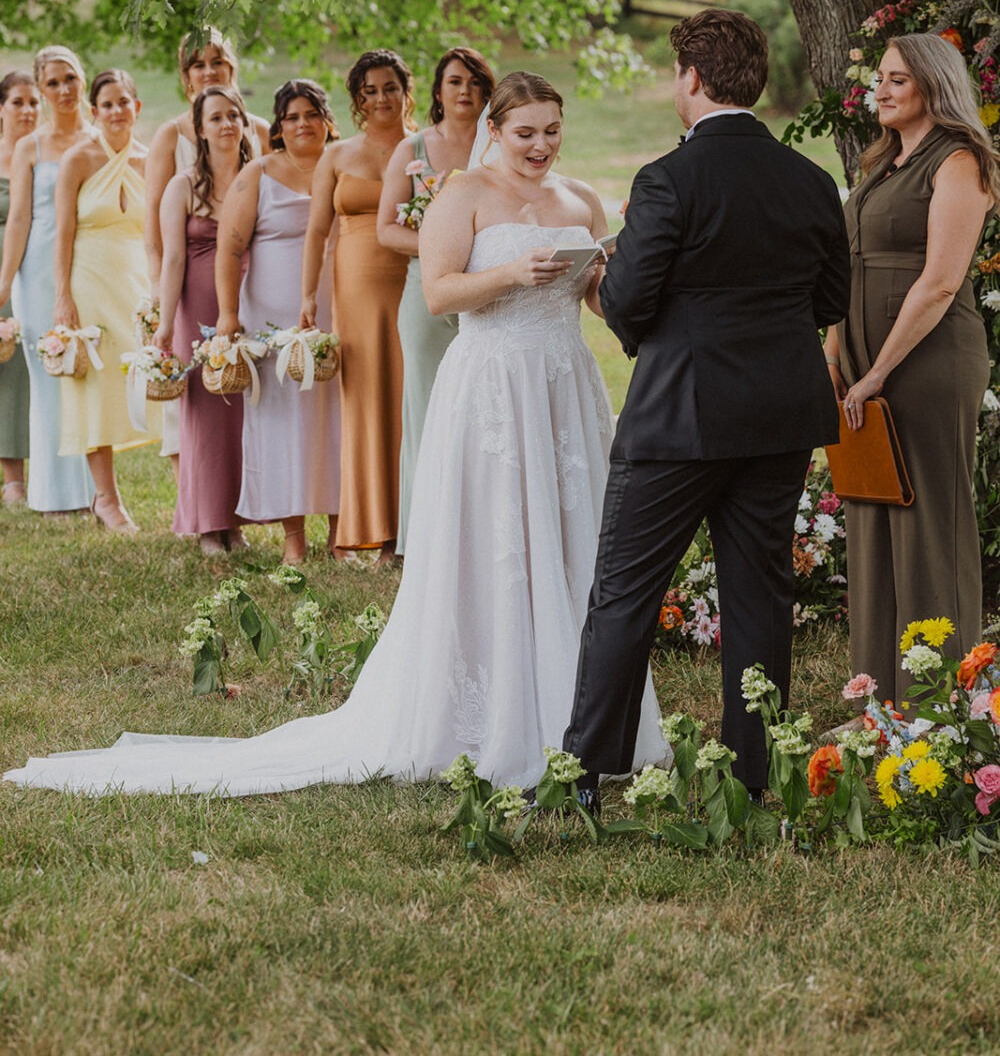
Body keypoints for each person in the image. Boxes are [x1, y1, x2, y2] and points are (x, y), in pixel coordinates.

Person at [3, 71, 665, 795]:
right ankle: (495, 708)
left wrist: (623, 263)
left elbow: (597, 299)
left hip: (562, 385)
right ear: (496, 133)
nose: (541, 146)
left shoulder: (578, 199)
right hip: (494, 387)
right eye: (525, 132)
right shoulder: (465, 194)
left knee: (572, 538)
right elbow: (442, 291)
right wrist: (512, 272)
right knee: (497, 537)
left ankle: (583, 709)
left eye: (552, 131)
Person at [562, 10, 851, 811]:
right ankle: (757, 775)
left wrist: (611, 285)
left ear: (691, 78)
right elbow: (830, 298)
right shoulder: (811, 179)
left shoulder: (667, 180)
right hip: (782, 416)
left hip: (678, 419)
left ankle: (585, 775)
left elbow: (625, 301)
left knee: (625, 592)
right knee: (760, 594)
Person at [824, 33, 998, 707]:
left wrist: (877, 374)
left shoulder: (958, 160)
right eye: (881, 79)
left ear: (933, 83)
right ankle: (879, 695)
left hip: (926, 361)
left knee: (929, 516)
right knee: (871, 508)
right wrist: (837, 354)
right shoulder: (882, 165)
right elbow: (847, 267)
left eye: (899, 79)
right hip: (863, 359)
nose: (883, 90)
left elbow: (938, 283)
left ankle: (939, 698)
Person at [376, 47, 495, 554]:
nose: (464, 89)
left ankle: (480, 535)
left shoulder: (500, 148)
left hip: (489, 295)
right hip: (427, 297)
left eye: (473, 81)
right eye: (453, 81)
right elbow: (385, 229)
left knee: (484, 411)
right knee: (425, 410)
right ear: (438, 91)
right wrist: (438, 246)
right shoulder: (413, 149)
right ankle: (423, 542)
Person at [216, 79, 341, 566]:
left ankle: (340, 531)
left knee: (336, 417)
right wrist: (228, 313)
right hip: (272, 318)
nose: (303, 124)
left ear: (327, 121)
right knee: (283, 420)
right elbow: (229, 248)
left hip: (335, 311)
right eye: (291, 117)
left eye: (312, 114)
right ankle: (293, 537)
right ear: (278, 127)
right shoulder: (258, 173)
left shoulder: (342, 162)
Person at [301, 50, 411, 560]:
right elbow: (317, 230)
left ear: (405, 91)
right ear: (357, 100)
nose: (381, 98)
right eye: (370, 90)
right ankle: (377, 529)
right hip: (356, 288)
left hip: (413, 278)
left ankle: (411, 528)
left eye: (390, 87)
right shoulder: (337, 155)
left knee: (409, 396)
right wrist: (307, 295)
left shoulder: (422, 148)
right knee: (367, 400)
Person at [145, 30, 269, 474]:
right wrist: (161, 303)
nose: (208, 70)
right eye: (198, 64)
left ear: (232, 68)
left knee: (250, 390)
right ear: (185, 76)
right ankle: (198, 502)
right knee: (197, 394)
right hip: (188, 279)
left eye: (217, 61)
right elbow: (157, 235)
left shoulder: (259, 132)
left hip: (251, 282)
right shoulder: (170, 136)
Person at [55, 68, 156, 532]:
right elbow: (62, 235)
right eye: (107, 105)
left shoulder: (149, 160)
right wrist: (62, 297)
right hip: (88, 280)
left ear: (137, 107)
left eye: (124, 102)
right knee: (96, 383)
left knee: (146, 380)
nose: (117, 112)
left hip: (135, 281)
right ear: (94, 113)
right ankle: (106, 499)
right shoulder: (78, 159)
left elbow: (157, 236)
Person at [153, 86, 253, 555]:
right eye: (216, 118)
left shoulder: (256, 178)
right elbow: (173, 258)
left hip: (248, 299)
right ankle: (208, 524)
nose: (227, 124)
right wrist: (165, 323)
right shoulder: (183, 186)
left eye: (234, 115)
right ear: (200, 130)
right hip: (196, 304)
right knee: (203, 415)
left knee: (241, 414)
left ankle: (236, 521)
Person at [0, 47, 94, 514]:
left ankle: (95, 490)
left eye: (70, 79)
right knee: (48, 373)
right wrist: (3, 286)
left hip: (92, 264)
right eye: (52, 83)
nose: (63, 90)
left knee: (88, 373)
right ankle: (54, 494)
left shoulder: (99, 138)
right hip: (37, 271)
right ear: (41, 89)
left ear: (83, 80)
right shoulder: (29, 148)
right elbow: (18, 220)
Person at [0, 70, 39, 504]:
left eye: (33, 102)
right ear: (1, 108)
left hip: (37, 263)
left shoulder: (42, 154)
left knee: (28, 364)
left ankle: (39, 468)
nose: (27, 111)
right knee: (4, 365)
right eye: (18, 103)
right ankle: (12, 477)